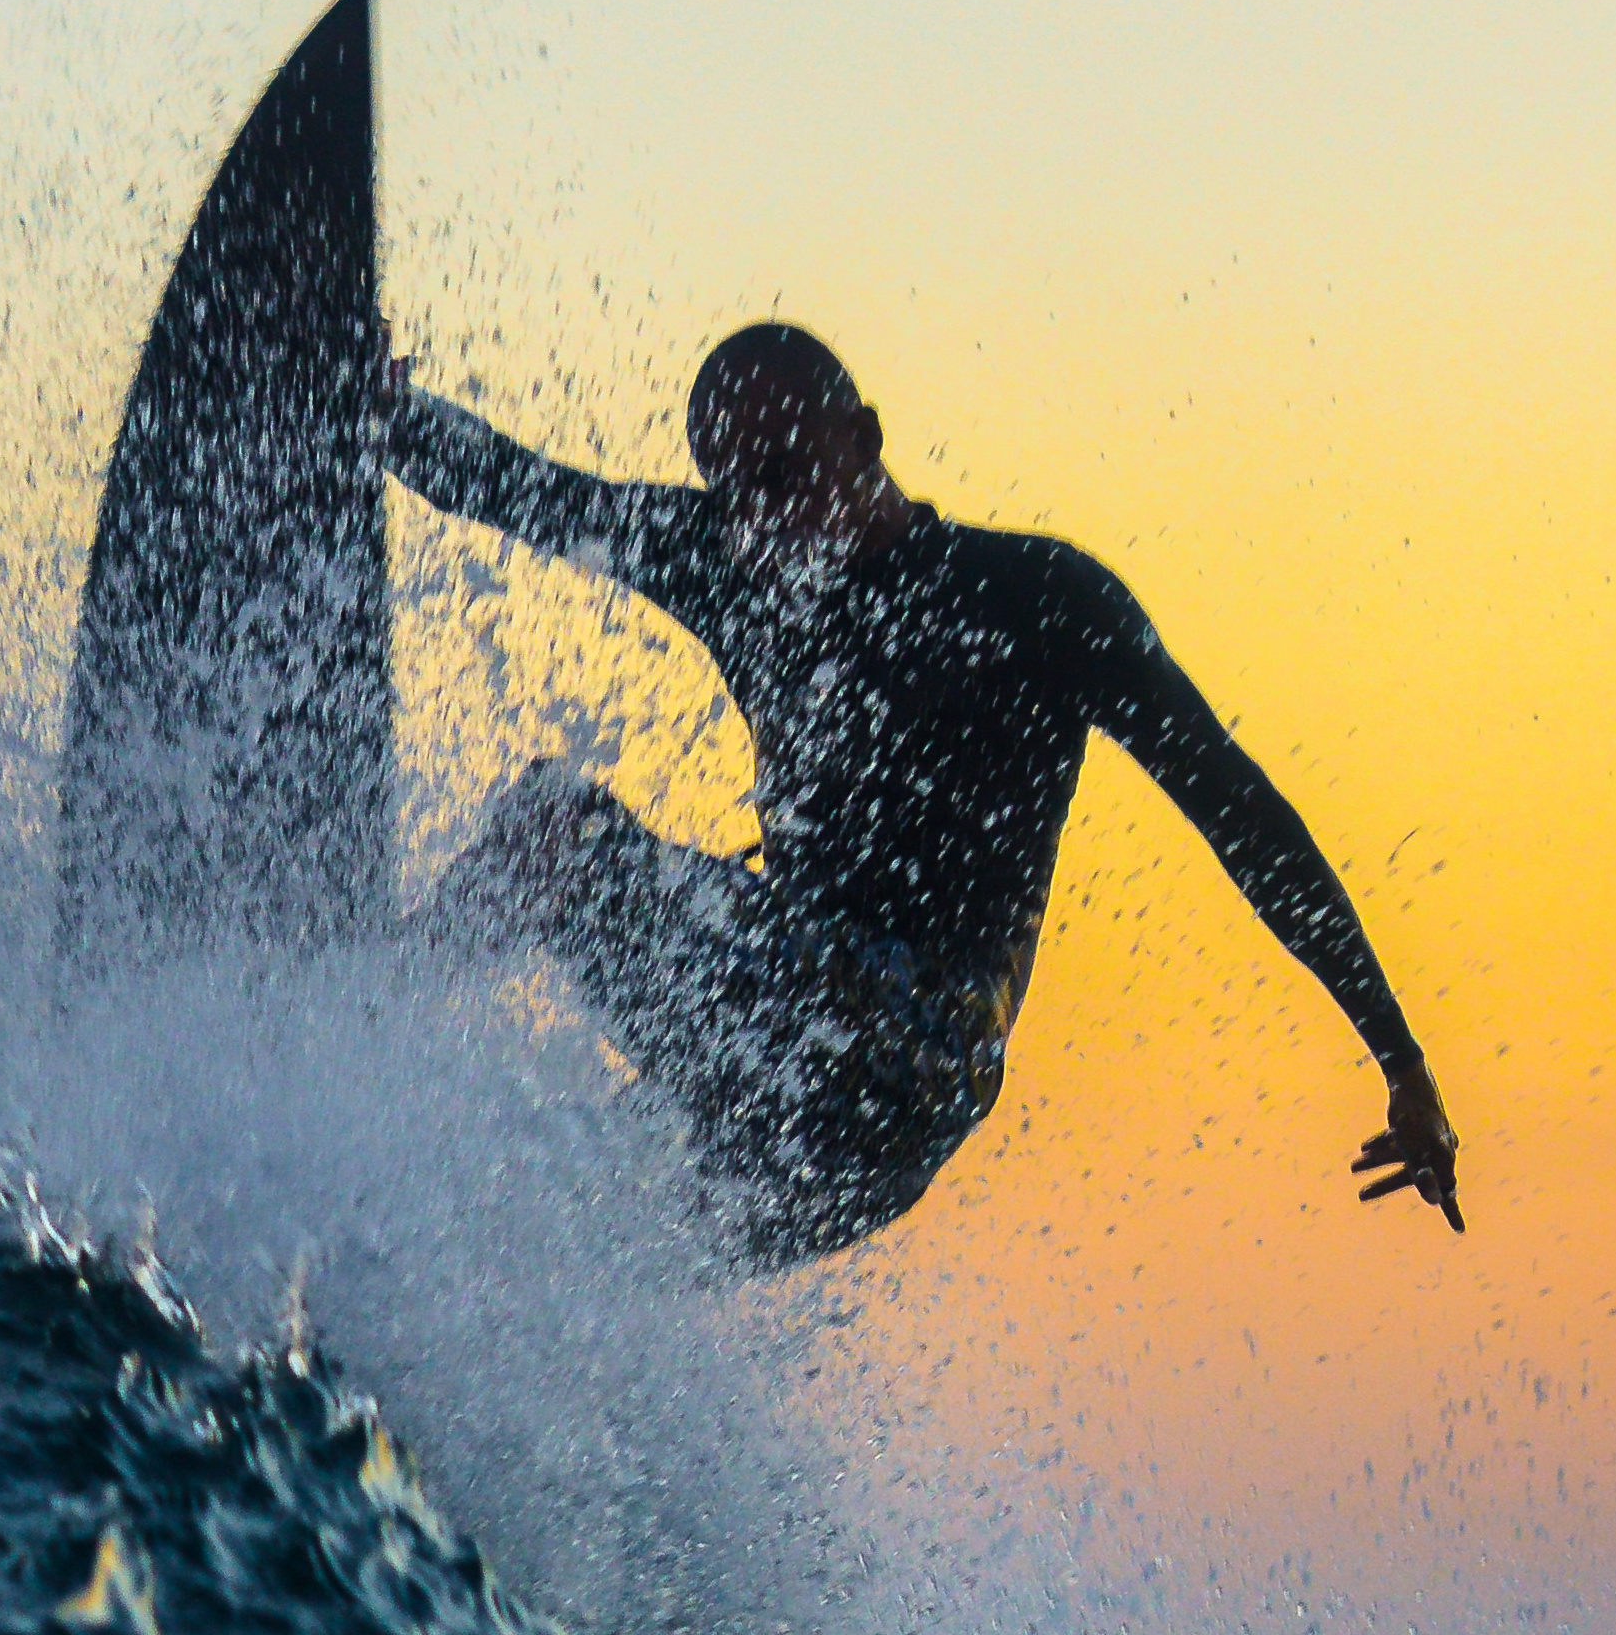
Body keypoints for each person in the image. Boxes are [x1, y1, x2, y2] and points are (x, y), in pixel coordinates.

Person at [393, 323, 1459, 1263]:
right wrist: (381, 408)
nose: (760, 516)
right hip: (779, 1057)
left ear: (861, 437)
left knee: (556, 829)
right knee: (522, 1245)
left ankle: (359, 1005)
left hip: (908, 1068)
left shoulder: (1034, 598)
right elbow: (522, 490)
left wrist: (1398, 1058)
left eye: (783, 472)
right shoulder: (730, 560)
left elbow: (1243, 817)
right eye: (733, 491)